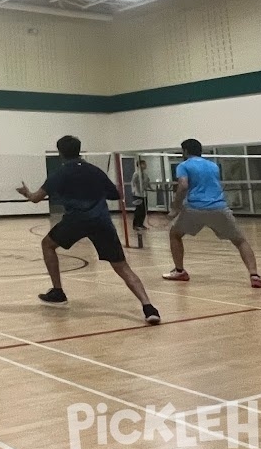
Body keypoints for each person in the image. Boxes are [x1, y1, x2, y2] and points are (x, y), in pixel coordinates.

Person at [18, 136, 160, 325]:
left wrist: (26, 192)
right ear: (79, 151)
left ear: (60, 153)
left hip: (76, 220)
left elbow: (36, 198)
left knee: (47, 245)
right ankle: (148, 307)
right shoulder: (95, 171)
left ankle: (58, 291)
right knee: (121, 266)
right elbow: (115, 194)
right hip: (101, 221)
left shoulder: (59, 174)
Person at [163, 138, 261, 288]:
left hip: (194, 208)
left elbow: (183, 185)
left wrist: (175, 209)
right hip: (219, 208)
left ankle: (180, 271)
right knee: (240, 241)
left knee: (175, 234)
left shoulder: (183, 166)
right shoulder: (213, 166)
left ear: (185, 151)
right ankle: (254, 274)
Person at [130, 159, 151, 230]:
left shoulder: (145, 174)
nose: (145, 165)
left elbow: (147, 183)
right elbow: (133, 183)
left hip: (144, 195)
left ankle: (141, 224)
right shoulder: (136, 174)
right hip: (137, 195)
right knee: (139, 210)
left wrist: (151, 189)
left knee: (144, 210)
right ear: (139, 165)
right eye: (143, 164)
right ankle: (136, 225)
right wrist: (135, 191)